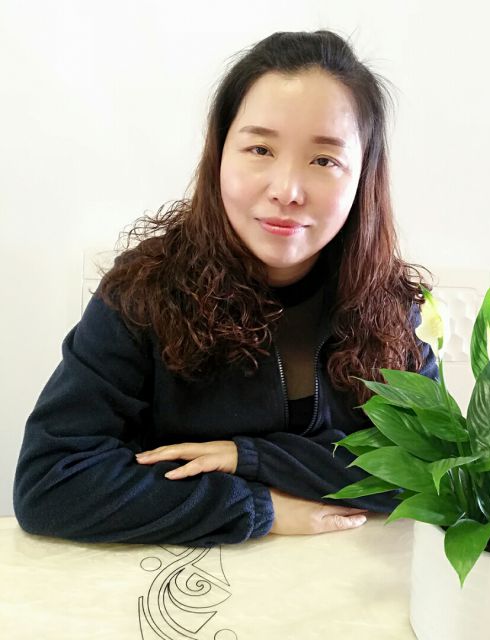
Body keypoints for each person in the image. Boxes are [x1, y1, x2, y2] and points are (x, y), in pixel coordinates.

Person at [13, 29, 438, 547]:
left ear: (363, 175)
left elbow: (432, 469)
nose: (287, 190)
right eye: (260, 148)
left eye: (324, 160)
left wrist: (249, 457)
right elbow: (50, 483)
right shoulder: (143, 292)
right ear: (219, 154)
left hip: (346, 577)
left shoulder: (390, 306)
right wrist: (259, 507)